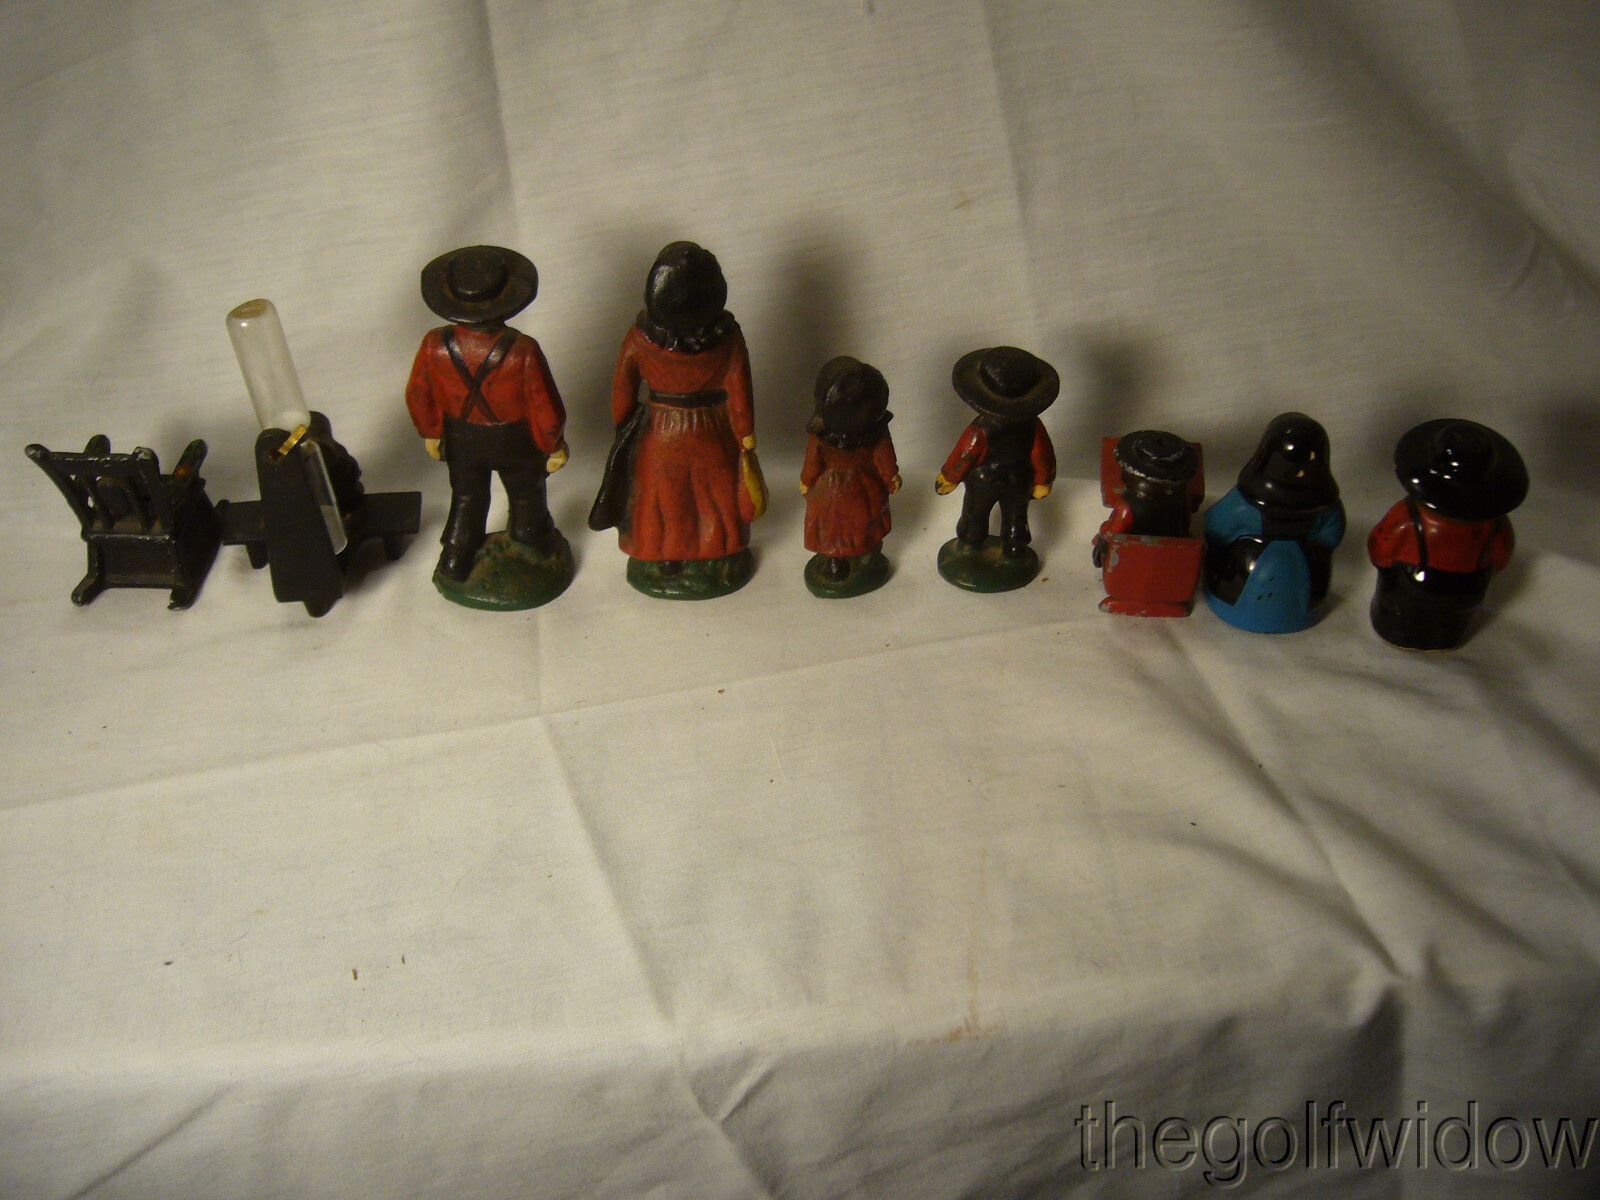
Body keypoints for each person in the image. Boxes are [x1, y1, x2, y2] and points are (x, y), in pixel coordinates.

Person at [591, 241, 763, 598]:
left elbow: (622, 389)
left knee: (666, 497)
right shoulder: (728, 338)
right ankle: (718, 550)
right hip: (712, 430)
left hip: (660, 432)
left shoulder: (640, 339)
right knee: (714, 495)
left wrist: (625, 424)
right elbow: (740, 390)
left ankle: (665, 556)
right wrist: (745, 434)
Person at [405, 245, 568, 587]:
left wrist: (431, 432)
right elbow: (544, 405)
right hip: (513, 439)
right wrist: (552, 444)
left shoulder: (434, 345)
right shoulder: (523, 350)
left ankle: (455, 557)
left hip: (462, 437)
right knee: (526, 493)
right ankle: (533, 543)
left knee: (466, 497)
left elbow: (418, 394)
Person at [1368, 418, 1526, 650]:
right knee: (1449, 625)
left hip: (1412, 584)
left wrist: (1383, 564)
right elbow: (1502, 557)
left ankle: (1400, 636)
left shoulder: (1406, 517)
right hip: (1468, 588)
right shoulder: (1496, 526)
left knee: (1401, 621)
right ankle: (1443, 640)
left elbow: (1380, 548)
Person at [1202, 412, 1343, 633]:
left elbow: (1215, 526)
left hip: (1240, 578)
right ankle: (1294, 617)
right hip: (1304, 585)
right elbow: (1332, 536)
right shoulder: (1326, 509)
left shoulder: (1243, 504)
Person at [935, 346, 1057, 590]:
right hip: (1018, 480)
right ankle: (1014, 547)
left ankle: (970, 542)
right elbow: (1043, 455)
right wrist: (1043, 480)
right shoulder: (1033, 426)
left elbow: (965, 455)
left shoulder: (980, 428)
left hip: (983, 480)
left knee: (975, 512)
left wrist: (949, 477)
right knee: (1016, 515)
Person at [798, 357, 899, 595]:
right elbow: (885, 457)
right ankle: (866, 552)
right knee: (865, 520)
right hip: (866, 485)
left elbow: (812, 463)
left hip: (831, 490)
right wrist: (890, 477)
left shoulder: (821, 437)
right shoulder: (875, 432)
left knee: (834, 525)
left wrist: (806, 481)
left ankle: (837, 560)